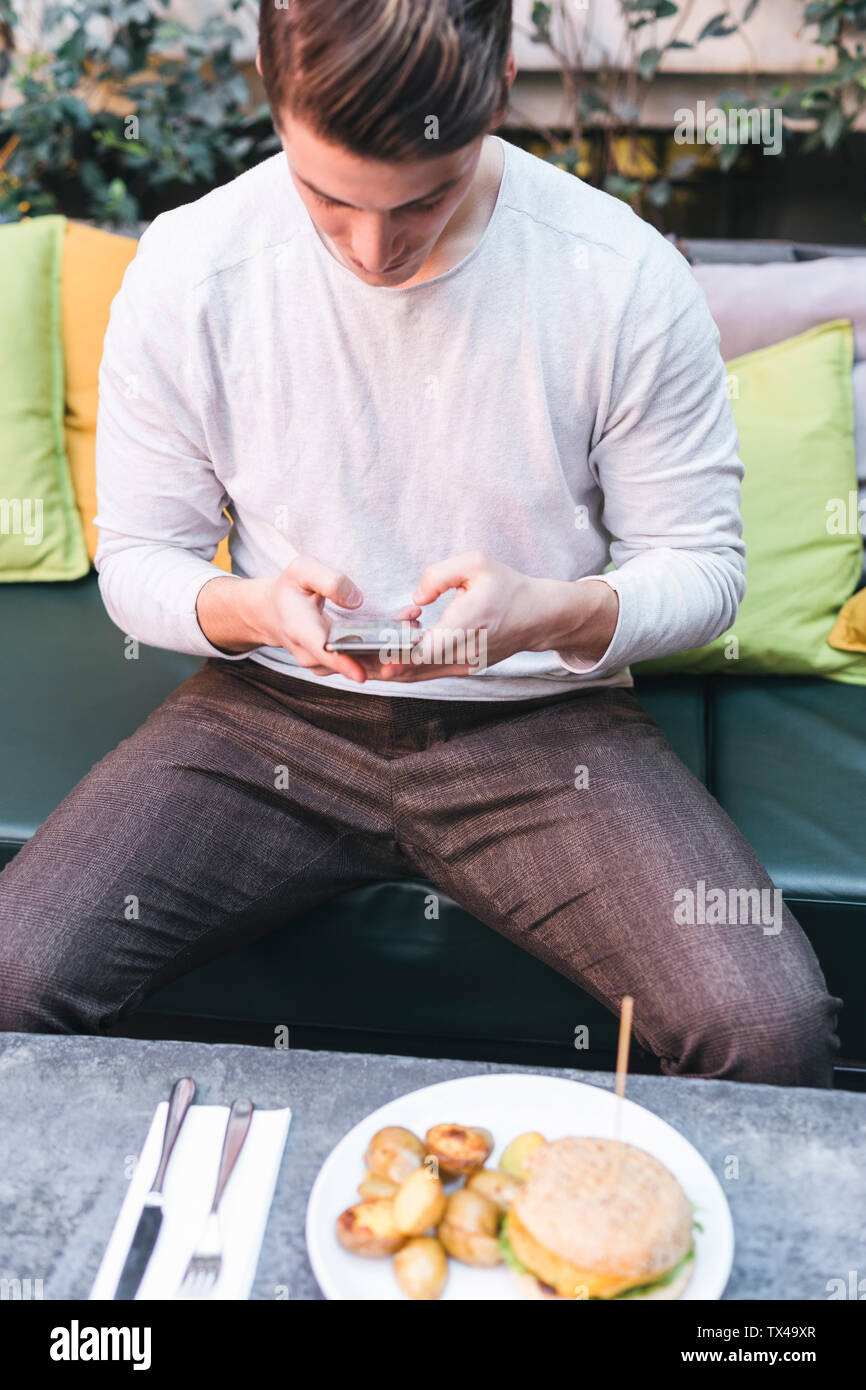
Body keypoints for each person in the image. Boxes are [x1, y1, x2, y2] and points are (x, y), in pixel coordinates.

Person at [0, 0, 840, 1084]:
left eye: (423, 202)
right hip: (273, 715)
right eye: (326, 199)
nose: (373, 250)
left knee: (765, 1027)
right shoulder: (190, 269)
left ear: (492, 102)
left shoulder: (619, 277)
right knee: (13, 973)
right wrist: (249, 609)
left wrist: (551, 609)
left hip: (541, 723)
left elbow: (705, 570)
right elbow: (141, 561)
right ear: (273, 96)